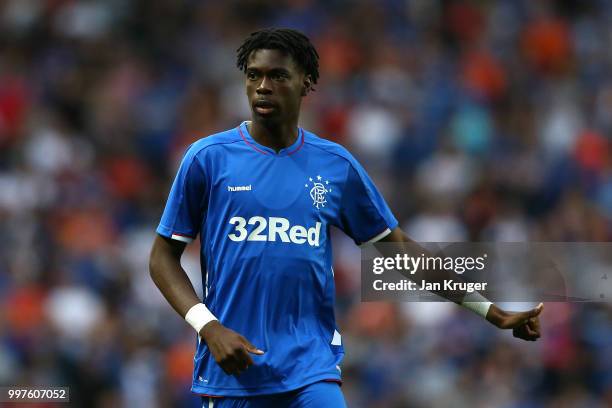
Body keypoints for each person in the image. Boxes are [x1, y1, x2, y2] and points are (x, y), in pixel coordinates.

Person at [149, 28, 543, 408]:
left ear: (306, 83)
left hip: (310, 371)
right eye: (254, 76)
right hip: (233, 373)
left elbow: (400, 252)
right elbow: (162, 258)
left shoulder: (335, 166)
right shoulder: (208, 159)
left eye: (277, 76)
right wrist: (208, 326)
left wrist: (491, 311)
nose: (263, 87)